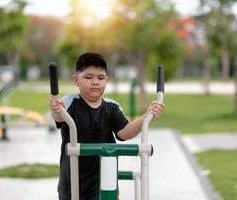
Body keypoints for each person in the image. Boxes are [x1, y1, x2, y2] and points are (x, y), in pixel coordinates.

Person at [49, 52, 165, 200]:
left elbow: (124, 133)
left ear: (106, 80)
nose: (96, 82)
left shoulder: (111, 106)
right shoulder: (71, 100)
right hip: (72, 182)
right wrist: (56, 109)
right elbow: (59, 115)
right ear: (76, 80)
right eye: (89, 77)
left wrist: (146, 117)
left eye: (101, 78)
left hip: (103, 180)